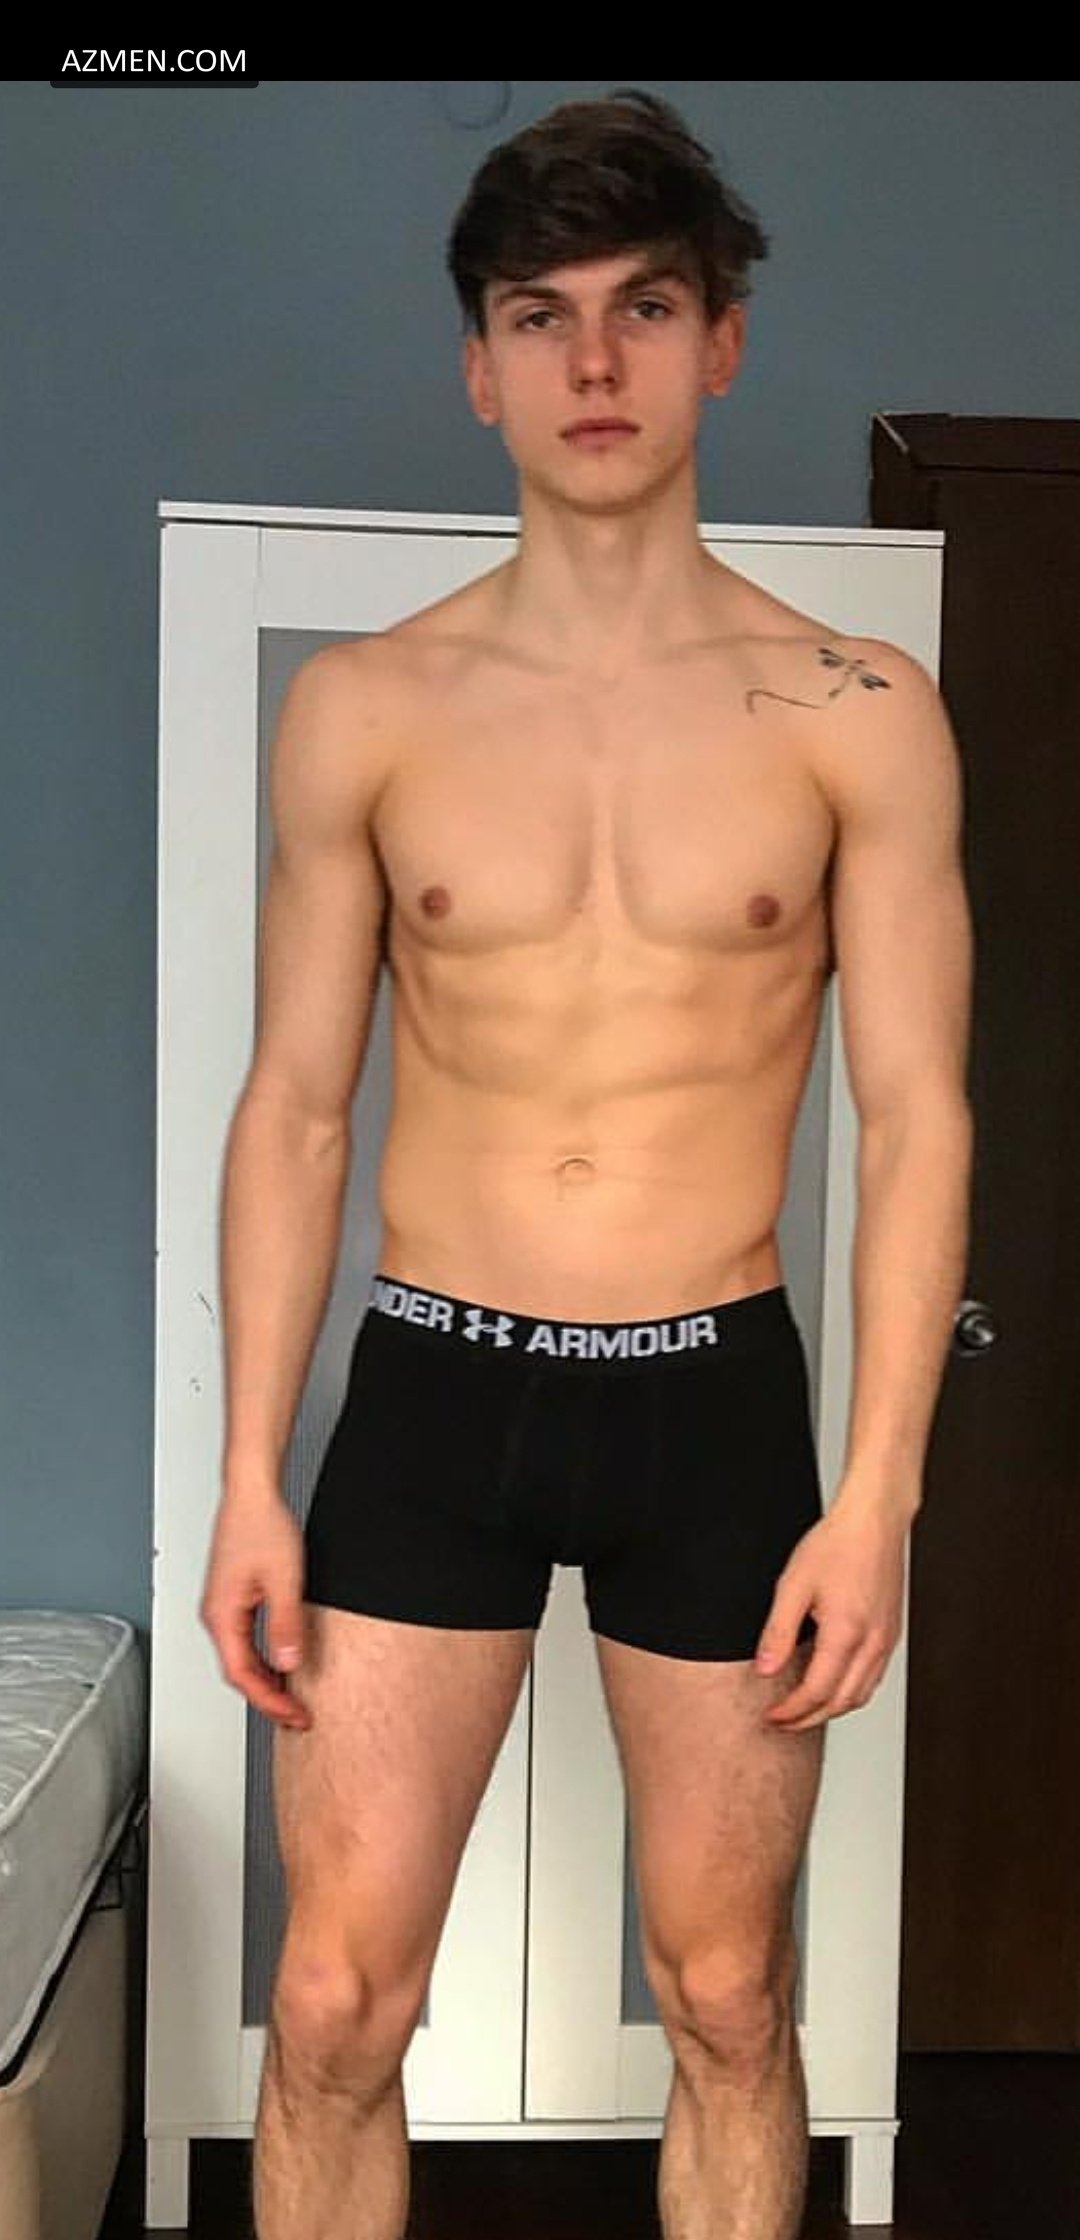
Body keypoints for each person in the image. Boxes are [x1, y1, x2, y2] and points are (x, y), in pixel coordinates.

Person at [199, 86, 974, 2240]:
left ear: (723, 340)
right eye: (541, 315)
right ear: (481, 366)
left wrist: (879, 1497)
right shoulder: (370, 708)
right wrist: (253, 1467)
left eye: (646, 306)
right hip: (433, 1393)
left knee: (727, 1998)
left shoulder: (855, 707)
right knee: (334, 2004)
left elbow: (919, 1114)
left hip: (714, 1403)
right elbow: (298, 1104)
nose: (596, 361)